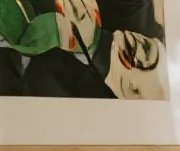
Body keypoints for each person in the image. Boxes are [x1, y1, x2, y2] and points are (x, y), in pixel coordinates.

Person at [0, 1, 167, 100]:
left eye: (131, 86)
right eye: (147, 47)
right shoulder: (131, 11)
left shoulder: (54, 93)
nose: (139, 41)